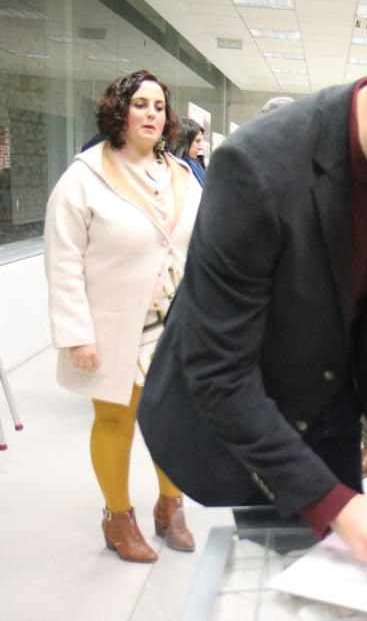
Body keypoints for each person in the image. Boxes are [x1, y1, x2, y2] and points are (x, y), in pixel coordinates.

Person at [136, 17, 367, 570]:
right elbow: (219, 369)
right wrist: (332, 504)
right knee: (282, 566)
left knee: (344, 568)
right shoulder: (256, 168)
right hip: (251, 404)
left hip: (336, 397)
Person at [44, 70, 203, 563]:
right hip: (112, 325)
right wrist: (76, 335)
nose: (151, 113)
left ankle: (170, 506)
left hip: (173, 326)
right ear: (120, 110)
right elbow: (63, 260)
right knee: (116, 419)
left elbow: (205, 248)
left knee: (172, 420)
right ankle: (118, 517)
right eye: (141, 104)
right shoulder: (84, 177)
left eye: (159, 106)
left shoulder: (181, 175)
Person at [169, 118, 206, 186]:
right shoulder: (173, 167)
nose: (201, 147)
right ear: (185, 142)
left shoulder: (196, 164)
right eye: (197, 141)